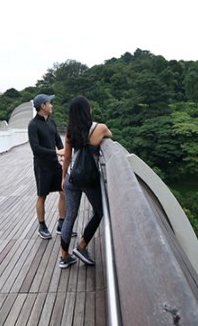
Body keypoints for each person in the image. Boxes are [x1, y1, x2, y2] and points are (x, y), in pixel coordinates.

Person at [58, 95, 113, 269]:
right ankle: (82, 246)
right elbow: (111, 137)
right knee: (99, 211)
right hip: (89, 179)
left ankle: (64, 256)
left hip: (72, 178)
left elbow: (67, 157)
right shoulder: (100, 128)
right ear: (87, 110)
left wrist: (63, 177)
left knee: (70, 216)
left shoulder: (70, 131)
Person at [27, 93, 72, 240]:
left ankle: (62, 223)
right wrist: (55, 152)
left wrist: (65, 153)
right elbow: (36, 149)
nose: (52, 105)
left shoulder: (51, 123)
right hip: (42, 166)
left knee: (63, 191)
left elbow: (59, 142)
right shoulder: (33, 125)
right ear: (42, 106)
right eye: (49, 103)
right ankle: (42, 226)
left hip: (54, 164)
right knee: (42, 196)